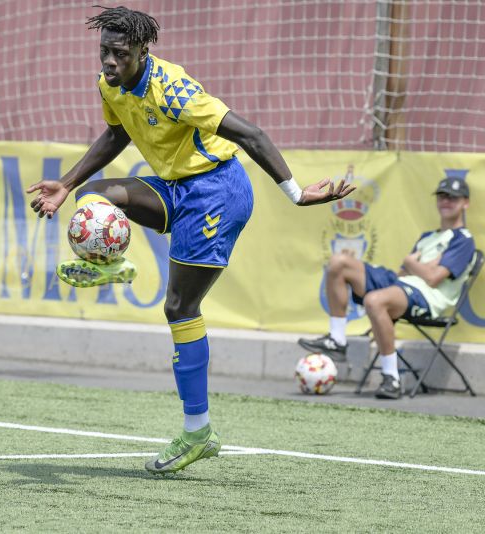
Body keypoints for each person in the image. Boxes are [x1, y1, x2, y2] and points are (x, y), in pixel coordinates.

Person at [26, 6, 354, 474]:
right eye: (105, 52)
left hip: (217, 191)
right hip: (177, 187)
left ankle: (198, 432)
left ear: (144, 51)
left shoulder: (175, 89)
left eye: (120, 54)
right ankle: (111, 264)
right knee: (95, 195)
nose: (110, 62)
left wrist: (297, 194)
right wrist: (67, 181)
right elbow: (117, 133)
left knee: (179, 307)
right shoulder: (109, 85)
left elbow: (253, 136)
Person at [299, 176, 475, 400]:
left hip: (428, 299)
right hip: (403, 285)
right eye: (442, 196)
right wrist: (419, 266)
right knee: (338, 263)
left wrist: (413, 263)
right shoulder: (428, 237)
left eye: (453, 197)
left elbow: (432, 278)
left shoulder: (463, 239)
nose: (446, 201)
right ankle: (337, 340)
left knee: (375, 300)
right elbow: (406, 273)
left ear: (465, 203)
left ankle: (392, 378)